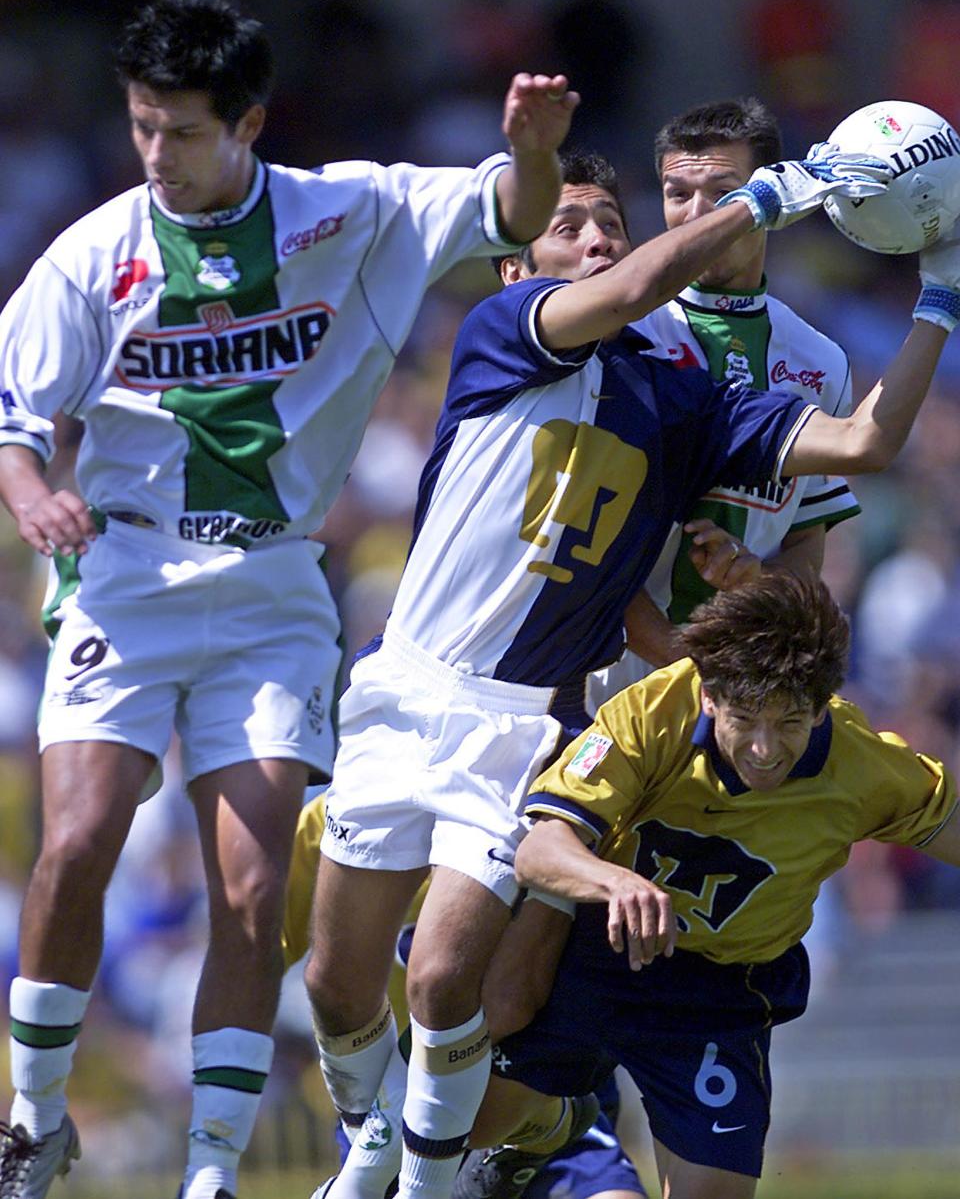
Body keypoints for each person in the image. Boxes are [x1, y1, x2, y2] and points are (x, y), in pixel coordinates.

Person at [303, 138, 960, 1199]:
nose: (600, 239)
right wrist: (761, 200)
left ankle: (427, 1180)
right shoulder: (504, 333)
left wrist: (943, 298)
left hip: (523, 717)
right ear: (517, 264)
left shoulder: (683, 401)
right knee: (337, 984)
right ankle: (378, 1137)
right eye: (571, 226)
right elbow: (649, 281)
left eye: (610, 223)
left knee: (443, 979)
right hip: (404, 687)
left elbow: (868, 441)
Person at [0, 0, 579, 1194]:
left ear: (251, 122)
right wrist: (28, 493)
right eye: (141, 125)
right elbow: (12, 419)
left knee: (255, 889)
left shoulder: (352, 211)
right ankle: (30, 1118)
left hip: (271, 592)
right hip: (128, 577)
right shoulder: (91, 251)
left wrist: (531, 155)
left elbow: (507, 215)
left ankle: (213, 1174)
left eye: (181, 131)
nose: (154, 152)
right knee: (75, 841)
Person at [469, 571, 960, 1199]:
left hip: (720, 992)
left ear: (821, 705)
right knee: (470, 1117)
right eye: (745, 718)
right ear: (709, 697)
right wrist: (615, 883)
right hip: (598, 951)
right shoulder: (650, 714)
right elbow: (542, 849)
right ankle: (556, 1126)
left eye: (790, 722)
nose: (763, 748)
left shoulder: (867, 766)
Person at [590, 97, 860, 708]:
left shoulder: (821, 361)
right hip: (605, 675)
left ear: (772, 199)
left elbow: (803, 541)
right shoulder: (620, 330)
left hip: (733, 693)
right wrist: (692, 669)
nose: (695, 214)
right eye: (676, 193)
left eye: (722, 191)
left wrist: (757, 584)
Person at [283, 796, 649, 1199]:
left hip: (528, 1076)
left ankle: (548, 1124)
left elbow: (513, 994)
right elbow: (268, 950)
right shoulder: (340, 812)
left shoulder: (544, 801)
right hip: (392, 1102)